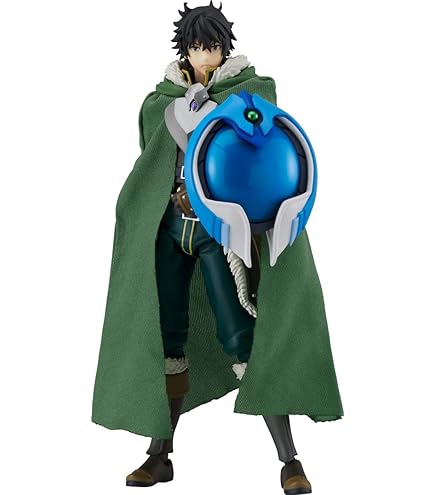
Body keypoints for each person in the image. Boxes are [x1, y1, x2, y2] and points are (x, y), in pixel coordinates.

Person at [92, 3, 343, 494]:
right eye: (197, 46)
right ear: (184, 50)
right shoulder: (160, 101)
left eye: (213, 47)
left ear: (225, 49)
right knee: (165, 339)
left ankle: (289, 459)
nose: (205, 55)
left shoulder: (250, 94)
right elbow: (151, 161)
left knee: (241, 336)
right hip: (170, 229)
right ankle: (159, 455)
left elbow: (269, 149)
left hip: (217, 232)